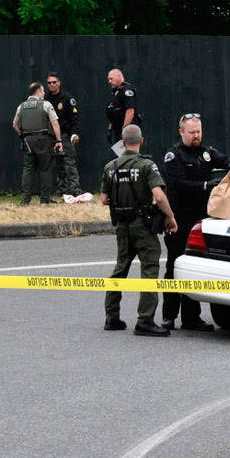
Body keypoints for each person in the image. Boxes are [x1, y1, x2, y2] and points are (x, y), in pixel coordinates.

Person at [160, 113, 230, 330]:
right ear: (181, 132)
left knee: (195, 267)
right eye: (192, 132)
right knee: (174, 267)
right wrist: (205, 185)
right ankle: (169, 316)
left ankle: (191, 318)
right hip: (178, 220)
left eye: (199, 131)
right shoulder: (173, 156)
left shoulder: (206, 152)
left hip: (201, 220)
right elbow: (177, 183)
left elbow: (224, 158)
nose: (196, 136)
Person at [99, 124, 178, 336]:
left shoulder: (110, 167)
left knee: (121, 267)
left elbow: (104, 199)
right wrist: (170, 217)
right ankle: (145, 320)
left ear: (123, 143)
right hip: (142, 226)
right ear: (141, 141)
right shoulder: (146, 165)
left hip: (121, 226)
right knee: (150, 269)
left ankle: (111, 317)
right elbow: (159, 196)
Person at [12, 82, 63, 204]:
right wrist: (59, 140)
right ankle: (45, 199)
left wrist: (22, 134)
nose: (45, 93)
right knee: (45, 168)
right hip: (43, 139)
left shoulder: (21, 106)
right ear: (39, 91)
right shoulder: (46, 104)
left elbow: (15, 125)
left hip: (27, 140)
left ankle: (25, 200)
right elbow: (55, 123)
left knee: (28, 169)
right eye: (43, 91)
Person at [44, 71, 83, 196]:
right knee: (58, 164)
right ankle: (61, 190)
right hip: (51, 136)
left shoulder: (67, 98)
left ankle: (75, 189)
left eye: (54, 82)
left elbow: (74, 118)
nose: (51, 85)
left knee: (69, 163)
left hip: (65, 135)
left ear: (59, 83)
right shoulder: (45, 99)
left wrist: (74, 133)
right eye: (49, 83)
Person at [105, 68, 142, 148]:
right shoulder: (115, 92)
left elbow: (130, 111)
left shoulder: (126, 90)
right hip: (117, 130)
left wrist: (124, 130)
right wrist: (110, 129)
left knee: (128, 155)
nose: (109, 81)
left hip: (127, 130)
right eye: (108, 79)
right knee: (119, 156)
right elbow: (113, 112)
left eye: (111, 78)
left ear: (118, 76)